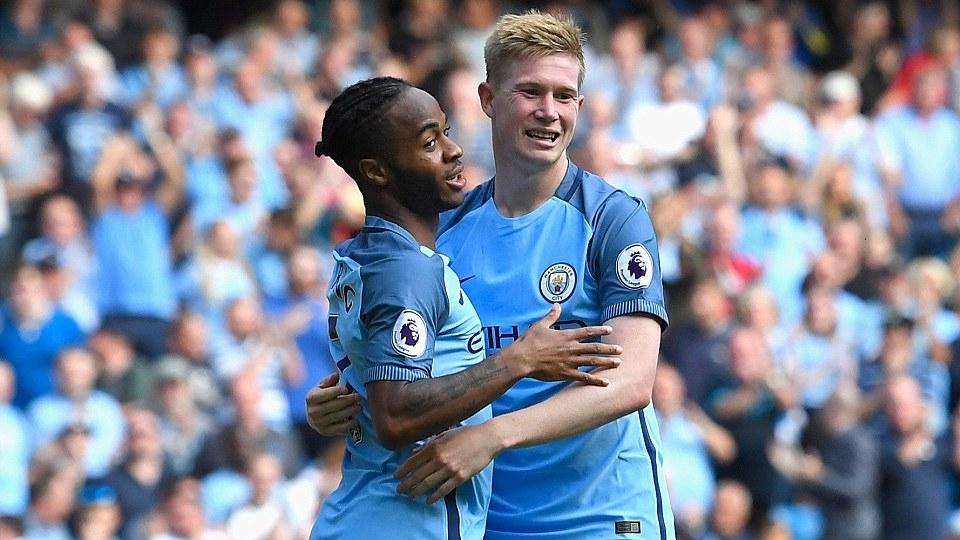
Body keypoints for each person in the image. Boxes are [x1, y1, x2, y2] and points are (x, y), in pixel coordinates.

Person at [309, 11, 674, 539]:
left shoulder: (611, 218)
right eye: (531, 92)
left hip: (603, 517)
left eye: (564, 96)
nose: (549, 112)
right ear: (487, 99)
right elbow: (405, 369)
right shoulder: (443, 232)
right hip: (489, 520)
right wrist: (337, 403)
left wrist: (492, 437)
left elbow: (632, 381)